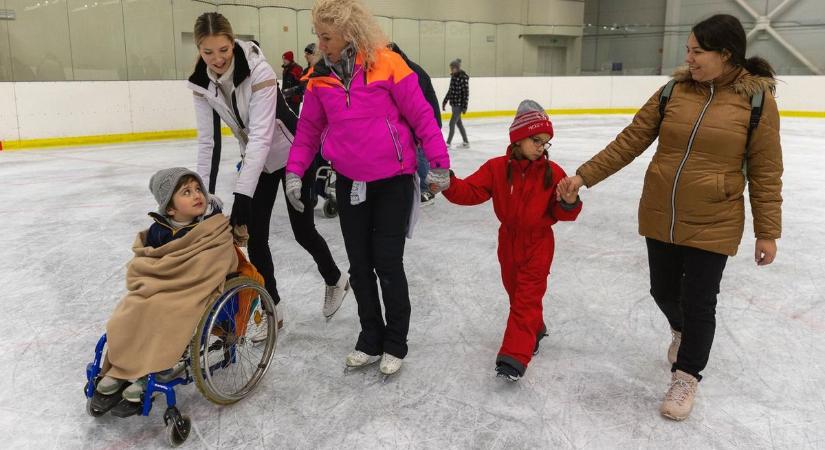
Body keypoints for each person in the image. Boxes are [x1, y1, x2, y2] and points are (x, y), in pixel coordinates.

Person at [561, 14, 783, 420]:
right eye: (688, 51)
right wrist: (583, 175)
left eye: (697, 52)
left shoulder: (756, 102)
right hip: (662, 212)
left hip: (715, 218)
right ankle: (682, 332)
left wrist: (767, 232)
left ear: (725, 54)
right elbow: (631, 139)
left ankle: (687, 375)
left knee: (700, 302)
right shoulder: (673, 91)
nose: (689, 58)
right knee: (662, 291)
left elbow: (767, 170)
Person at [284, 0, 450, 376]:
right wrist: (294, 172)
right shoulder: (319, 77)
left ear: (350, 34)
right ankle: (370, 337)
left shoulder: (387, 65)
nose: (320, 44)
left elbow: (422, 116)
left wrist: (439, 164)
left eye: (326, 36)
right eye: (318, 36)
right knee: (360, 266)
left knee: (387, 263)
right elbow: (308, 132)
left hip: (392, 181)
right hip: (351, 182)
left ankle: (395, 342)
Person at [187, 12, 350, 324]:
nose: (217, 59)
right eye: (207, 52)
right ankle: (271, 307)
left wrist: (242, 196)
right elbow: (208, 144)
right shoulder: (200, 82)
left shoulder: (257, 68)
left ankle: (335, 279)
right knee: (257, 238)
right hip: (256, 159)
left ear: (231, 42)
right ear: (198, 49)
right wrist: (203, 197)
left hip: (292, 153)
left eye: (222, 50)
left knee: (303, 231)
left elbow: (262, 135)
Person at [442, 101, 581, 381]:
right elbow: (470, 192)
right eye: (536, 140)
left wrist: (569, 202)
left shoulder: (552, 172)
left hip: (539, 244)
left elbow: (563, 213)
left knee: (527, 298)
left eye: (546, 142)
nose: (542, 146)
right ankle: (536, 328)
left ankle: (514, 357)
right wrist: (448, 182)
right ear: (518, 138)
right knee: (516, 292)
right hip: (508, 242)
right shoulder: (496, 169)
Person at [93, 168, 237, 414]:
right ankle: (120, 370)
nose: (197, 195)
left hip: (192, 289)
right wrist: (154, 280)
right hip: (158, 284)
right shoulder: (158, 231)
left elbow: (215, 261)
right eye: (186, 192)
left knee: (165, 311)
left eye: (197, 189)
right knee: (131, 309)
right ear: (170, 209)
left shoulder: (212, 227)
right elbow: (147, 262)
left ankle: (147, 371)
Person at [387, 42, 443, 205]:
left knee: (420, 156)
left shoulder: (413, 72)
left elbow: (415, 105)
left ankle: (427, 191)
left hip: (426, 123)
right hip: (417, 123)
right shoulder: (401, 70)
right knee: (415, 156)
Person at [442, 58, 470, 148]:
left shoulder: (463, 78)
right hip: (453, 104)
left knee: (452, 123)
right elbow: (450, 91)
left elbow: (466, 93)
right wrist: (445, 101)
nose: (451, 70)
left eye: (452, 68)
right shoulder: (453, 77)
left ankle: (448, 143)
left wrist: (464, 106)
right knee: (459, 123)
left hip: (459, 105)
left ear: (457, 68)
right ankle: (466, 142)